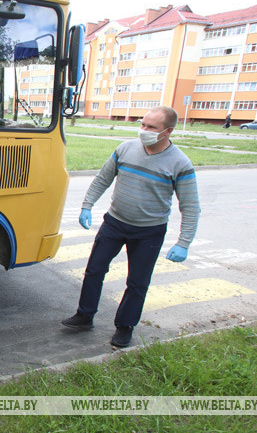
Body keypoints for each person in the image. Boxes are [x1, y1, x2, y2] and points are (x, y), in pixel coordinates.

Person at [62, 106, 201, 347]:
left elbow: (190, 207)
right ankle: (85, 315)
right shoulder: (125, 149)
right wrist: (87, 205)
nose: (143, 130)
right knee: (94, 270)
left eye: (151, 127)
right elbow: (103, 178)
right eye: (143, 124)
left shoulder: (180, 163)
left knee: (137, 282)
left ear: (167, 131)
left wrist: (184, 242)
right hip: (114, 223)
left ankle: (125, 327)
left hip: (149, 231)